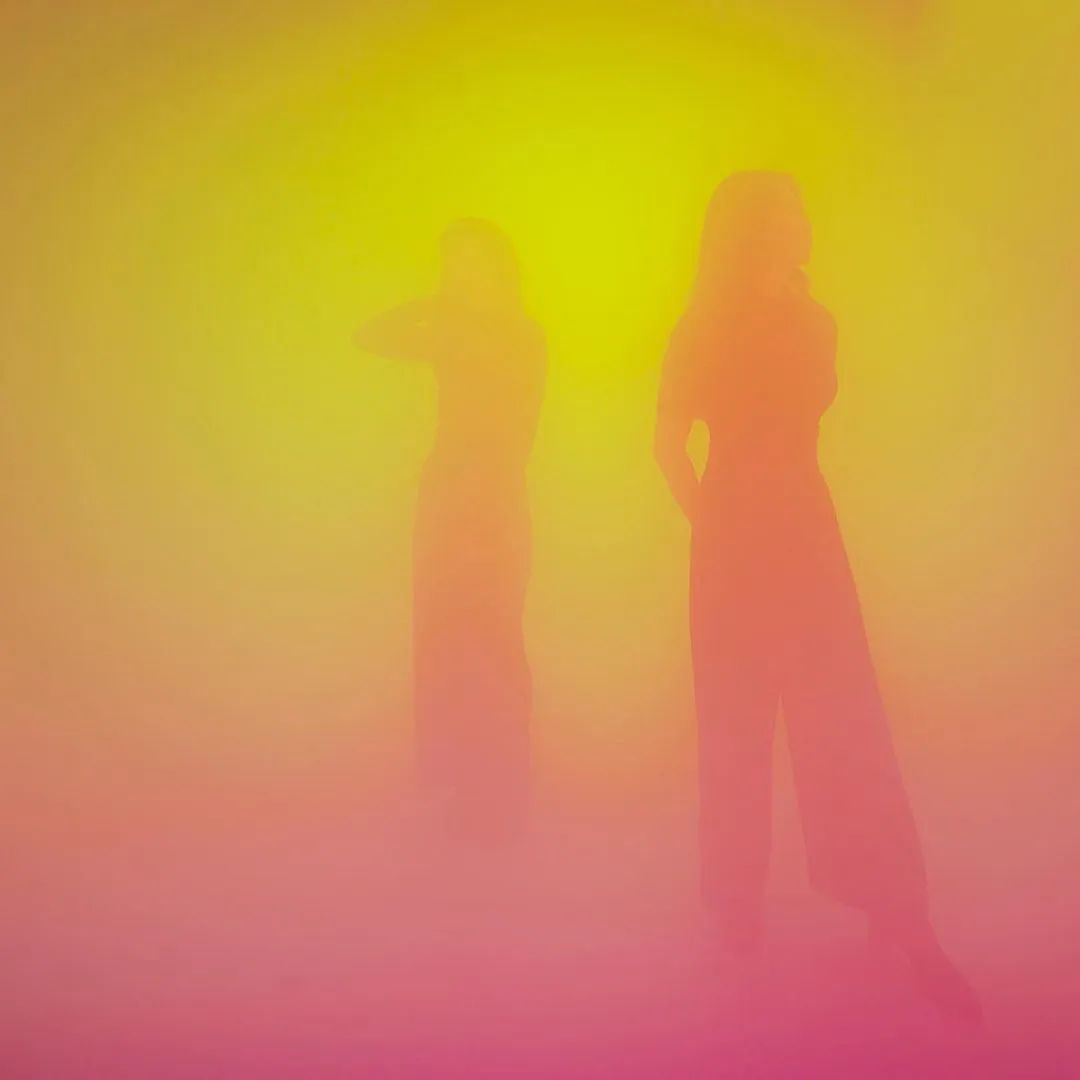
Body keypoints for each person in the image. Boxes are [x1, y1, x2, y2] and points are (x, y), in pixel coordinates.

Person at [654, 172, 980, 1022]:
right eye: (789, 213)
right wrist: (714, 526)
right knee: (735, 722)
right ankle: (736, 908)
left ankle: (891, 903)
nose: (804, 223)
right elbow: (667, 442)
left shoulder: (813, 318)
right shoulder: (706, 324)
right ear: (754, 230)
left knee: (843, 715)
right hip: (736, 532)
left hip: (805, 529)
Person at [356, 219, 546, 842]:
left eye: (470, 262)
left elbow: (517, 426)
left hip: (492, 499)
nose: (460, 275)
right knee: (444, 638)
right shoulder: (453, 329)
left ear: (498, 267)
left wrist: (445, 316)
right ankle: (462, 788)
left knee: (493, 639)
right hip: (445, 497)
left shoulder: (518, 335)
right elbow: (371, 333)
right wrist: (437, 305)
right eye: (450, 264)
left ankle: (504, 791)